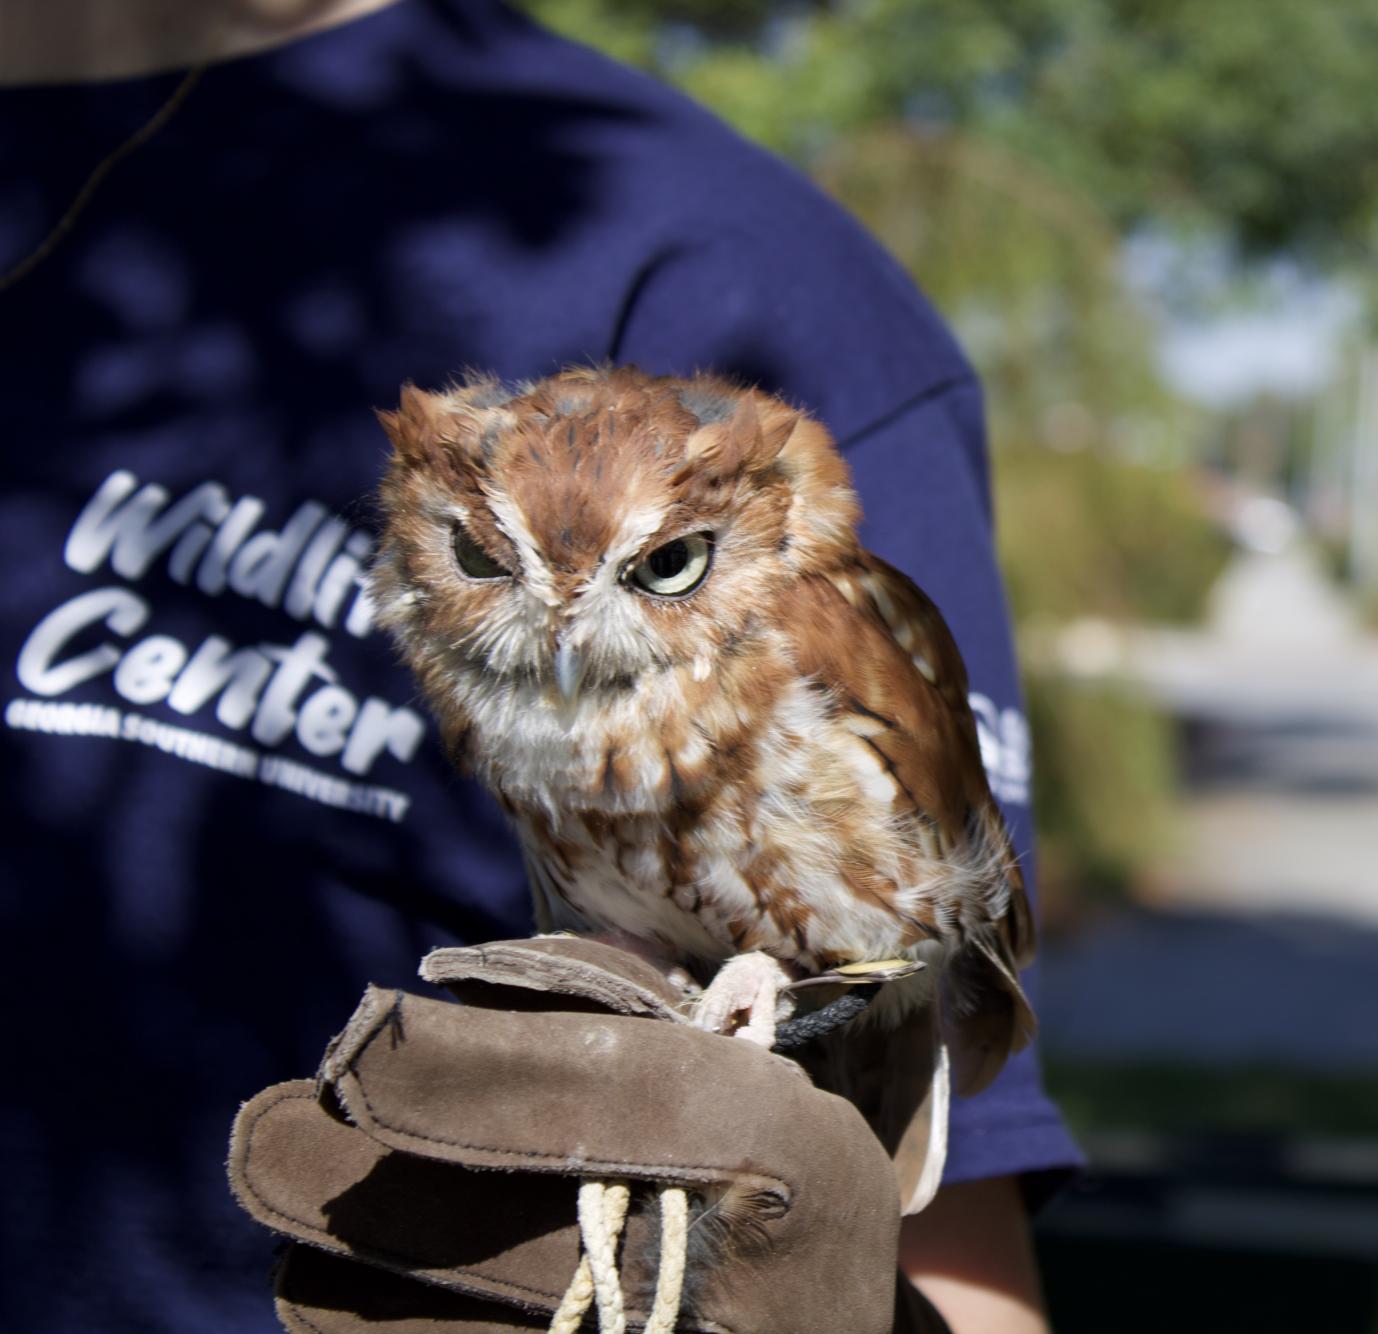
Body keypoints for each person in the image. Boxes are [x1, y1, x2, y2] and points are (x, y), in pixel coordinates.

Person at [0, 1, 1079, 1328]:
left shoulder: (729, 270)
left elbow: (956, 1250)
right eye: (483, 562)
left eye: (664, 569)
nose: (564, 640)